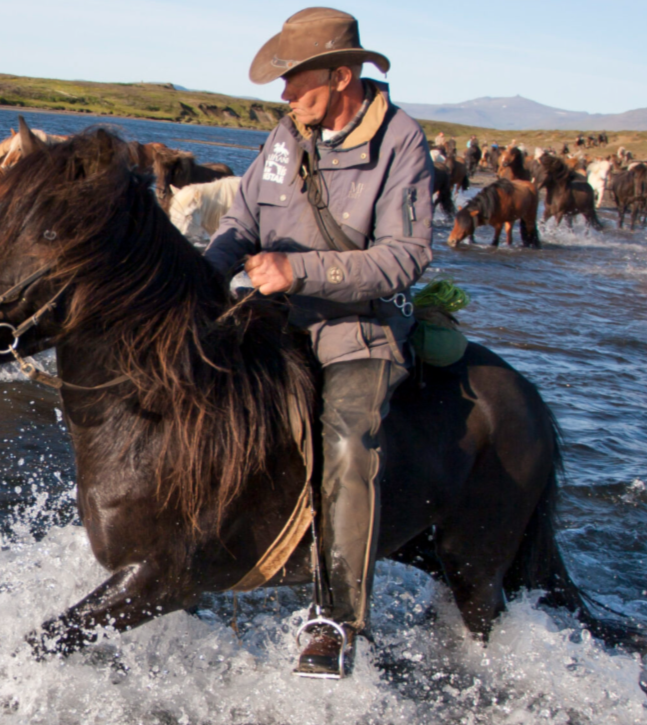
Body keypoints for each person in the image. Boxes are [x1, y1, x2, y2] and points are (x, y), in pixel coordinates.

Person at [204, 7, 433, 678]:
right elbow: (242, 218)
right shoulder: (285, 134)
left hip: (357, 325)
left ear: (341, 76)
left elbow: (406, 256)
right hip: (272, 313)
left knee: (347, 443)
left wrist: (299, 270)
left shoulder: (401, 140)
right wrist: (202, 275)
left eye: (294, 79)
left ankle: (335, 618)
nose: (281, 94)